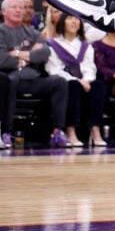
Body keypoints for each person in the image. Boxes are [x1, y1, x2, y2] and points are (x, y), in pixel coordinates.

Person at [0, 0, 71, 147]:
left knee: (59, 82)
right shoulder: (1, 31)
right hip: (11, 79)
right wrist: (31, 54)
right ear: (3, 11)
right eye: (14, 7)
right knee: (9, 81)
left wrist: (18, 54)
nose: (19, 10)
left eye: (22, 7)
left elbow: (45, 54)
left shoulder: (32, 32)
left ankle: (57, 132)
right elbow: (2, 59)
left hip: (34, 79)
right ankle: (6, 131)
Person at [45, 12, 109, 147]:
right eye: (70, 19)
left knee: (98, 86)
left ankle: (95, 129)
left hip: (83, 81)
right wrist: (78, 81)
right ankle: (70, 130)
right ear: (63, 23)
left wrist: (86, 80)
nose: (74, 22)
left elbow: (90, 67)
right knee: (73, 85)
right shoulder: (52, 44)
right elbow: (54, 69)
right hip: (65, 81)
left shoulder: (86, 46)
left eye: (77, 19)